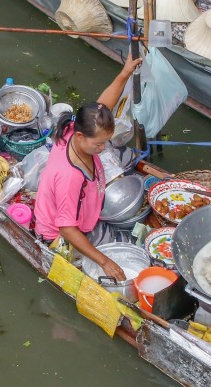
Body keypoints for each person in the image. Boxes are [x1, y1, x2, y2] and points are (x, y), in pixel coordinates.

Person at [33, 54, 142, 282]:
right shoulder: (70, 177)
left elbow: (103, 105)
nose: (104, 148)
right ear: (81, 136)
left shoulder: (75, 126)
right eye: (99, 144)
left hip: (85, 211)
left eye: (106, 141)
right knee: (130, 254)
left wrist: (125, 73)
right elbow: (66, 229)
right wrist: (105, 262)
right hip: (61, 232)